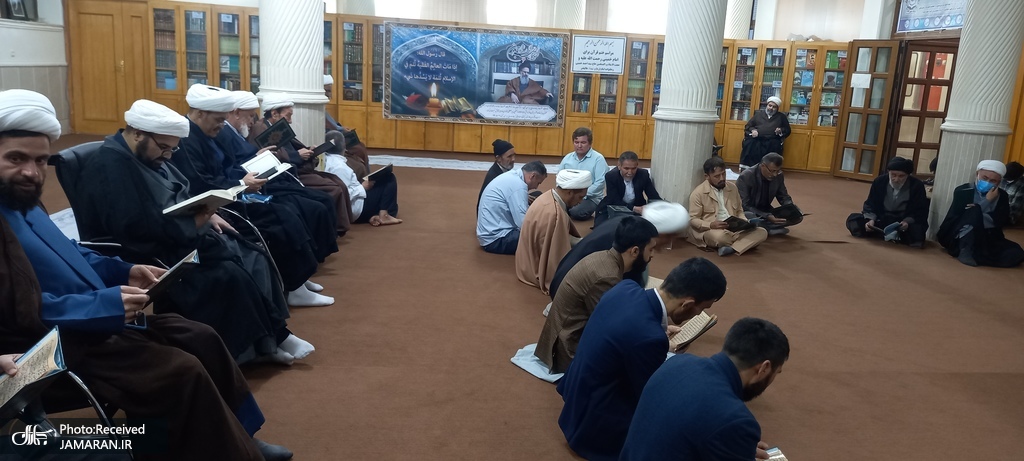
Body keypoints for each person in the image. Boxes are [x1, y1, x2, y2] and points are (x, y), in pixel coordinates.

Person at [0, 89, 293, 460]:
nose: (31, 172)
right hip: (50, 344)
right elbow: (18, 310)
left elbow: (72, 253)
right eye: (16, 158)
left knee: (199, 336)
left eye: (41, 161)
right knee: (178, 370)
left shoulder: (22, 201)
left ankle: (241, 434)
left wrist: (125, 270)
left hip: (92, 322)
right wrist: (105, 304)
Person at [75, 98, 315, 364]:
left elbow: (178, 192)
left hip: (178, 231)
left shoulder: (143, 154)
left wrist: (209, 213)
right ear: (138, 133)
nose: (168, 156)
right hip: (152, 248)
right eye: (164, 148)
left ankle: (269, 339)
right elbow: (132, 227)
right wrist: (194, 222)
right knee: (228, 272)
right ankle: (256, 347)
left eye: (172, 150)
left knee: (251, 253)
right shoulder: (109, 167)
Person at [169, 85, 334, 304]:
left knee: (287, 213)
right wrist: (241, 183)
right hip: (220, 205)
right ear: (200, 113)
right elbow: (202, 183)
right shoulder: (188, 140)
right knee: (282, 220)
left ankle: (298, 280)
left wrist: (243, 178)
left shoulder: (206, 133)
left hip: (233, 192)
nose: (222, 125)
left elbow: (228, 166)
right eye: (219, 120)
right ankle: (294, 287)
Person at [556, 258, 727, 461]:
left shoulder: (625, 289)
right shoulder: (650, 338)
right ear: (688, 303)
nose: (699, 313)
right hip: (596, 431)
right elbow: (653, 398)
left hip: (575, 403)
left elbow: (629, 332)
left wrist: (659, 336)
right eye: (703, 308)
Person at [620, 317, 790, 461]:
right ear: (764, 368)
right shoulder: (735, 420)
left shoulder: (676, 363)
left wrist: (735, 446)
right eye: (777, 372)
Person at [220, 90, 341, 268]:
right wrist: (256, 161)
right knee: (294, 212)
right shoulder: (228, 133)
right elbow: (229, 169)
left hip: (269, 179)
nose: (252, 121)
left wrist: (259, 156)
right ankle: (305, 266)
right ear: (236, 113)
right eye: (250, 115)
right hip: (252, 187)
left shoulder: (235, 132)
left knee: (316, 199)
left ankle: (314, 256)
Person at [535, 216, 659, 374]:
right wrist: (652, 334)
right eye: (651, 249)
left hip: (567, 334)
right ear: (635, 251)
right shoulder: (607, 276)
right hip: (568, 350)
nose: (653, 255)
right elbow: (611, 327)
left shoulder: (604, 258)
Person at [249, 93, 356, 233]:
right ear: (274, 114)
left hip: (298, 167)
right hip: (288, 174)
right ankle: (334, 229)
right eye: (288, 115)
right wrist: (298, 155)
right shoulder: (261, 129)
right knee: (333, 188)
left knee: (338, 182)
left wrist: (308, 150)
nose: (290, 121)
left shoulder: (275, 126)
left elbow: (291, 147)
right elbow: (272, 157)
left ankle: (336, 227)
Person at [549, 200, 688, 300]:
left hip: (564, 280)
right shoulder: (633, 243)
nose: (669, 243)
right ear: (661, 233)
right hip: (567, 292)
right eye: (670, 237)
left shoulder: (627, 222)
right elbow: (628, 293)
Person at [516, 169, 591, 294]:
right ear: (569, 192)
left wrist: (584, 242)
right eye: (580, 197)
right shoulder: (554, 213)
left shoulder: (547, 196)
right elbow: (555, 256)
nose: (581, 201)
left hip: (524, 263)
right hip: (533, 269)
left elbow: (559, 236)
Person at [937, 160, 1024, 267]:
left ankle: (974, 254)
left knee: (1017, 252)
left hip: (987, 236)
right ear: (977, 174)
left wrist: (980, 219)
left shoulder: (1002, 196)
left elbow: (1000, 220)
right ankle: (965, 249)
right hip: (959, 234)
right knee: (973, 211)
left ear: (999, 182)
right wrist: (987, 202)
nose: (988, 182)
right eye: (985, 178)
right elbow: (962, 216)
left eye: (993, 181)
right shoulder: (963, 190)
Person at [687, 156, 768, 256]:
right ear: (707, 176)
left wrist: (744, 222)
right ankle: (742, 244)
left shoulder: (732, 188)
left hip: (735, 228)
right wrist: (710, 225)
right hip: (713, 230)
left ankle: (731, 248)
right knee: (720, 238)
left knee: (762, 232)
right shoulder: (698, 193)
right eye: (717, 176)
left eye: (723, 174)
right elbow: (693, 219)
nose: (722, 178)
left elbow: (739, 210)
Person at [322, 130, 402, 227]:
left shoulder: (326, 160)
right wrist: (362, 187)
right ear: (344, 146)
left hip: (351, 206)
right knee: (389, 178)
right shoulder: (340, 168)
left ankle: (375, 215)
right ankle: (384, 215)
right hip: (355, 210)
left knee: (381, 183)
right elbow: (342, 195)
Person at [846, 156, 929, 247]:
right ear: (889, 172)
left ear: (907, 175)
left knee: (918, 232)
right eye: (893, 175)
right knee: (853, 220)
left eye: (901, 176)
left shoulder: (917, 186)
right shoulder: (879, 181)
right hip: (881, 218)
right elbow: (870, 203)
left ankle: (886, 234)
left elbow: (920, 210)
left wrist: (906, 222)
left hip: (902, 222)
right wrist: (871, 220)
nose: (896, 179)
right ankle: (888, 234)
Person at [477, 161, 548, 255]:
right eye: (538, 183)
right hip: (496, 240)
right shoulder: (519, 187)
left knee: (537, 196)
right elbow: (523, 224)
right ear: (532, 176)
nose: (536, 187)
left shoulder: (512, 176)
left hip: (489, 233)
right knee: (542, 238)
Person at [736, 152, 801, 236]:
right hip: (750, 211)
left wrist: (791, 208)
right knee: (750, 216)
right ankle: (767, 228)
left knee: (797, 217)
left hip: (766, 210)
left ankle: (765, 228)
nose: (775, 174)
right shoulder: (746, 176)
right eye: (772, 171)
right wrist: (767, 216)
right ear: (763, 166)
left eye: (778, 171)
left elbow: (783, 196)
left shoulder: (779, 175)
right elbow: (744, 205)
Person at [593, 151, 662, 228]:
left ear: (637, 165)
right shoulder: (611, 176)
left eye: (633, 168)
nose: (630, 172)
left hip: (637, 206)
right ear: (619, 166)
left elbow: (653, 195)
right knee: (602, 227)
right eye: (626, 168)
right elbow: (613, 199)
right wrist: (634, 208)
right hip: (613, 206)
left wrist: (663, 206)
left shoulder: (643, 174)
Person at [558, 127, 608, 220]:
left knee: (576, 212)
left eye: (583, 142)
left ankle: (570, 211)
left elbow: (600, 182)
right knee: (553, 205)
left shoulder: (598, 159)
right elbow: (559, 178)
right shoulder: (567, 158)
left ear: (590, 143)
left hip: (590, 198)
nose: (579, 146)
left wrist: (581, 195)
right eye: (576, 142)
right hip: (569, 196)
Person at [740, 96, 790, 169]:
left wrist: (780, 130)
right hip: (757, 138)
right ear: (767, 105)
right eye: (770, 105)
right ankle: (749, 168)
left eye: (774, 107)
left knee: (774, 145)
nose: (771, 108)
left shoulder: (781, 117)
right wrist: (753, 130)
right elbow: (748, 126)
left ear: (777, 108)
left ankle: (769, 169)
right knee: (749, 143)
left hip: (772, 139)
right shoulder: (758, 115)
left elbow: (787, 129)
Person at [478, 139, 516, 210]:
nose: (513, 159)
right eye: (509, 156)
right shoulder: (494, 177)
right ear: (498, 158)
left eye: (514, 155)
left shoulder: (504, 170)